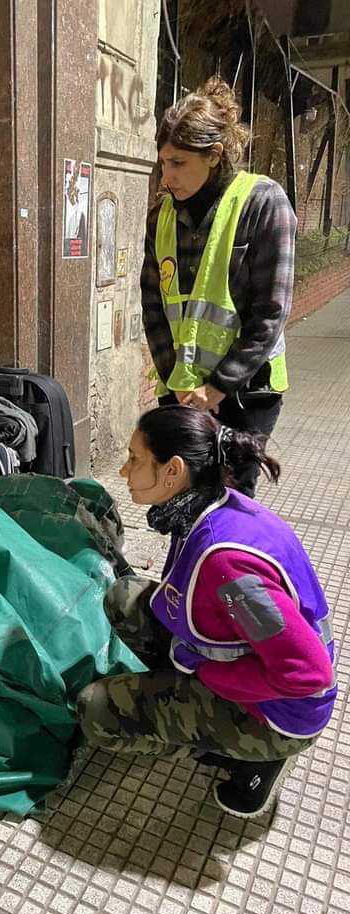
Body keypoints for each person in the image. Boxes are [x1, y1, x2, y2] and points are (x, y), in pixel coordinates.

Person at [77, 406, 336, 819]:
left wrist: (206, 676)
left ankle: (252, 759)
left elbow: (307, 674)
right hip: (252, 664)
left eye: (135, 459)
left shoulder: (228, 565)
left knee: (97, 710)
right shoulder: (207, 506)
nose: (124, 472)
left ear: (173, 471)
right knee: (124, 598)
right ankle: (196, 707)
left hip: (280, 712)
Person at [141, 77, 297, 496]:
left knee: (230, 500)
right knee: (178, 494)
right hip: (182, 389)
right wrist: (175, 379)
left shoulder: (263, 203)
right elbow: (154, 305)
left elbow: (271, 311)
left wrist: (217, 387)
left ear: (214, 155)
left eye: (178, 163)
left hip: (245, 393)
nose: (166, 175)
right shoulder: (162, 217)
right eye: (162, 162)